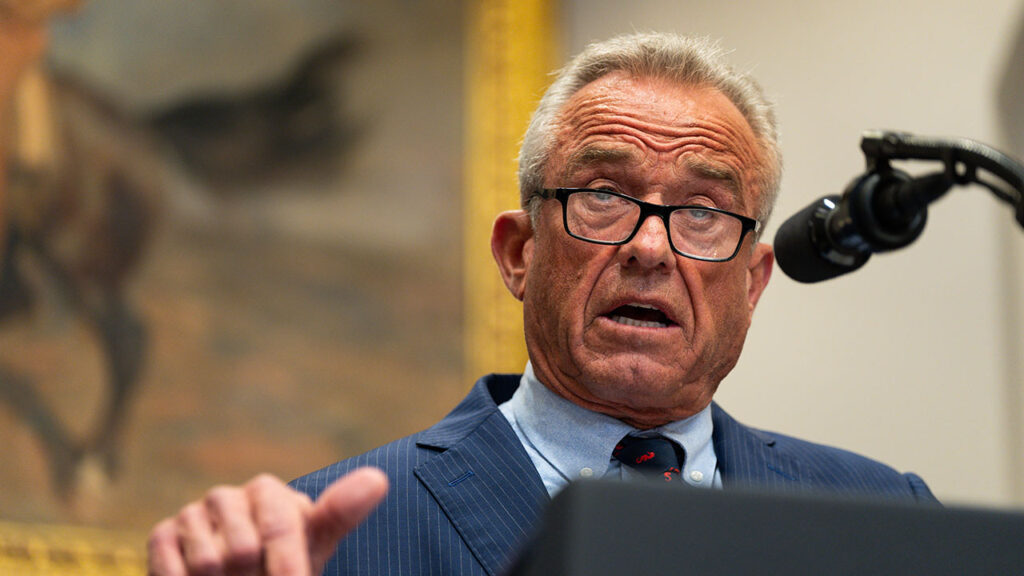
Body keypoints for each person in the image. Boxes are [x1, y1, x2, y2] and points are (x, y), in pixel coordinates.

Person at [147, 32, 937, 576]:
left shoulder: (886, 520)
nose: (650, 249)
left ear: (754, 283)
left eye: (703, 211)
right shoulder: (327, 536)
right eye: (602, 194)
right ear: (520, 253)